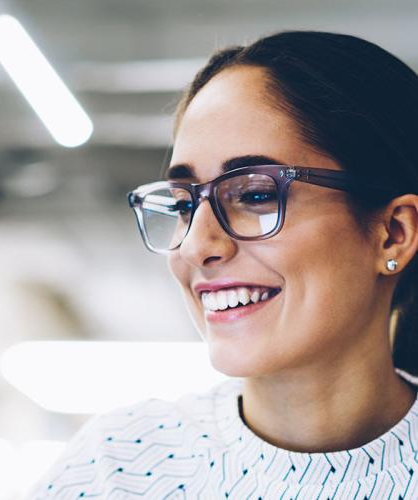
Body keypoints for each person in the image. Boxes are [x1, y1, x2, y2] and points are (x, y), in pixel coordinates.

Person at [27, 30, 418, 499]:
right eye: (183, 205)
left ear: (393, 233)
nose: (195, 246)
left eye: (255, 195)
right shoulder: (114, 467)